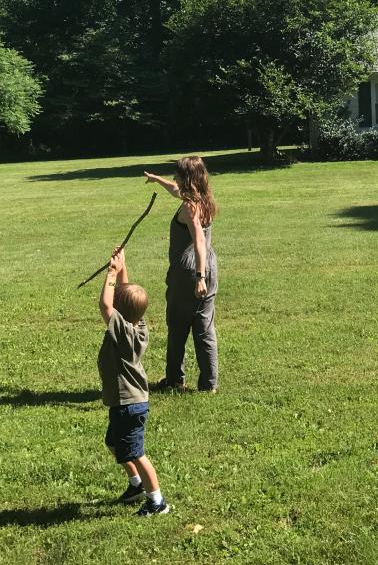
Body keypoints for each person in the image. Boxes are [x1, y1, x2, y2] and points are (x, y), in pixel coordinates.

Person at [97, 246, 169, 516]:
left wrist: (112, 273)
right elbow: (122, 297)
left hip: (129, 404)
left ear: (120, 311)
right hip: (126, 403)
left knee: (136, 453)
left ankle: (157, 501)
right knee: (115, 445)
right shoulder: (136, 325)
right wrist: (123, 265)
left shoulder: (122, 333)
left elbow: (106, 304)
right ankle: (136, 485)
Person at [143, 156, 218, 393]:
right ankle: (209, 384)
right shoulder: (203, 199)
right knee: (204, 327)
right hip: (210, 266)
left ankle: (175, 379)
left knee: (177, 325)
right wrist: (157, 180)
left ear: (187, 178)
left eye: (177, 174)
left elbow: (197, 239)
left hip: (189, 272)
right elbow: (176, 190)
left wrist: (199, 277)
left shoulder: (189, 207)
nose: (174, 178)